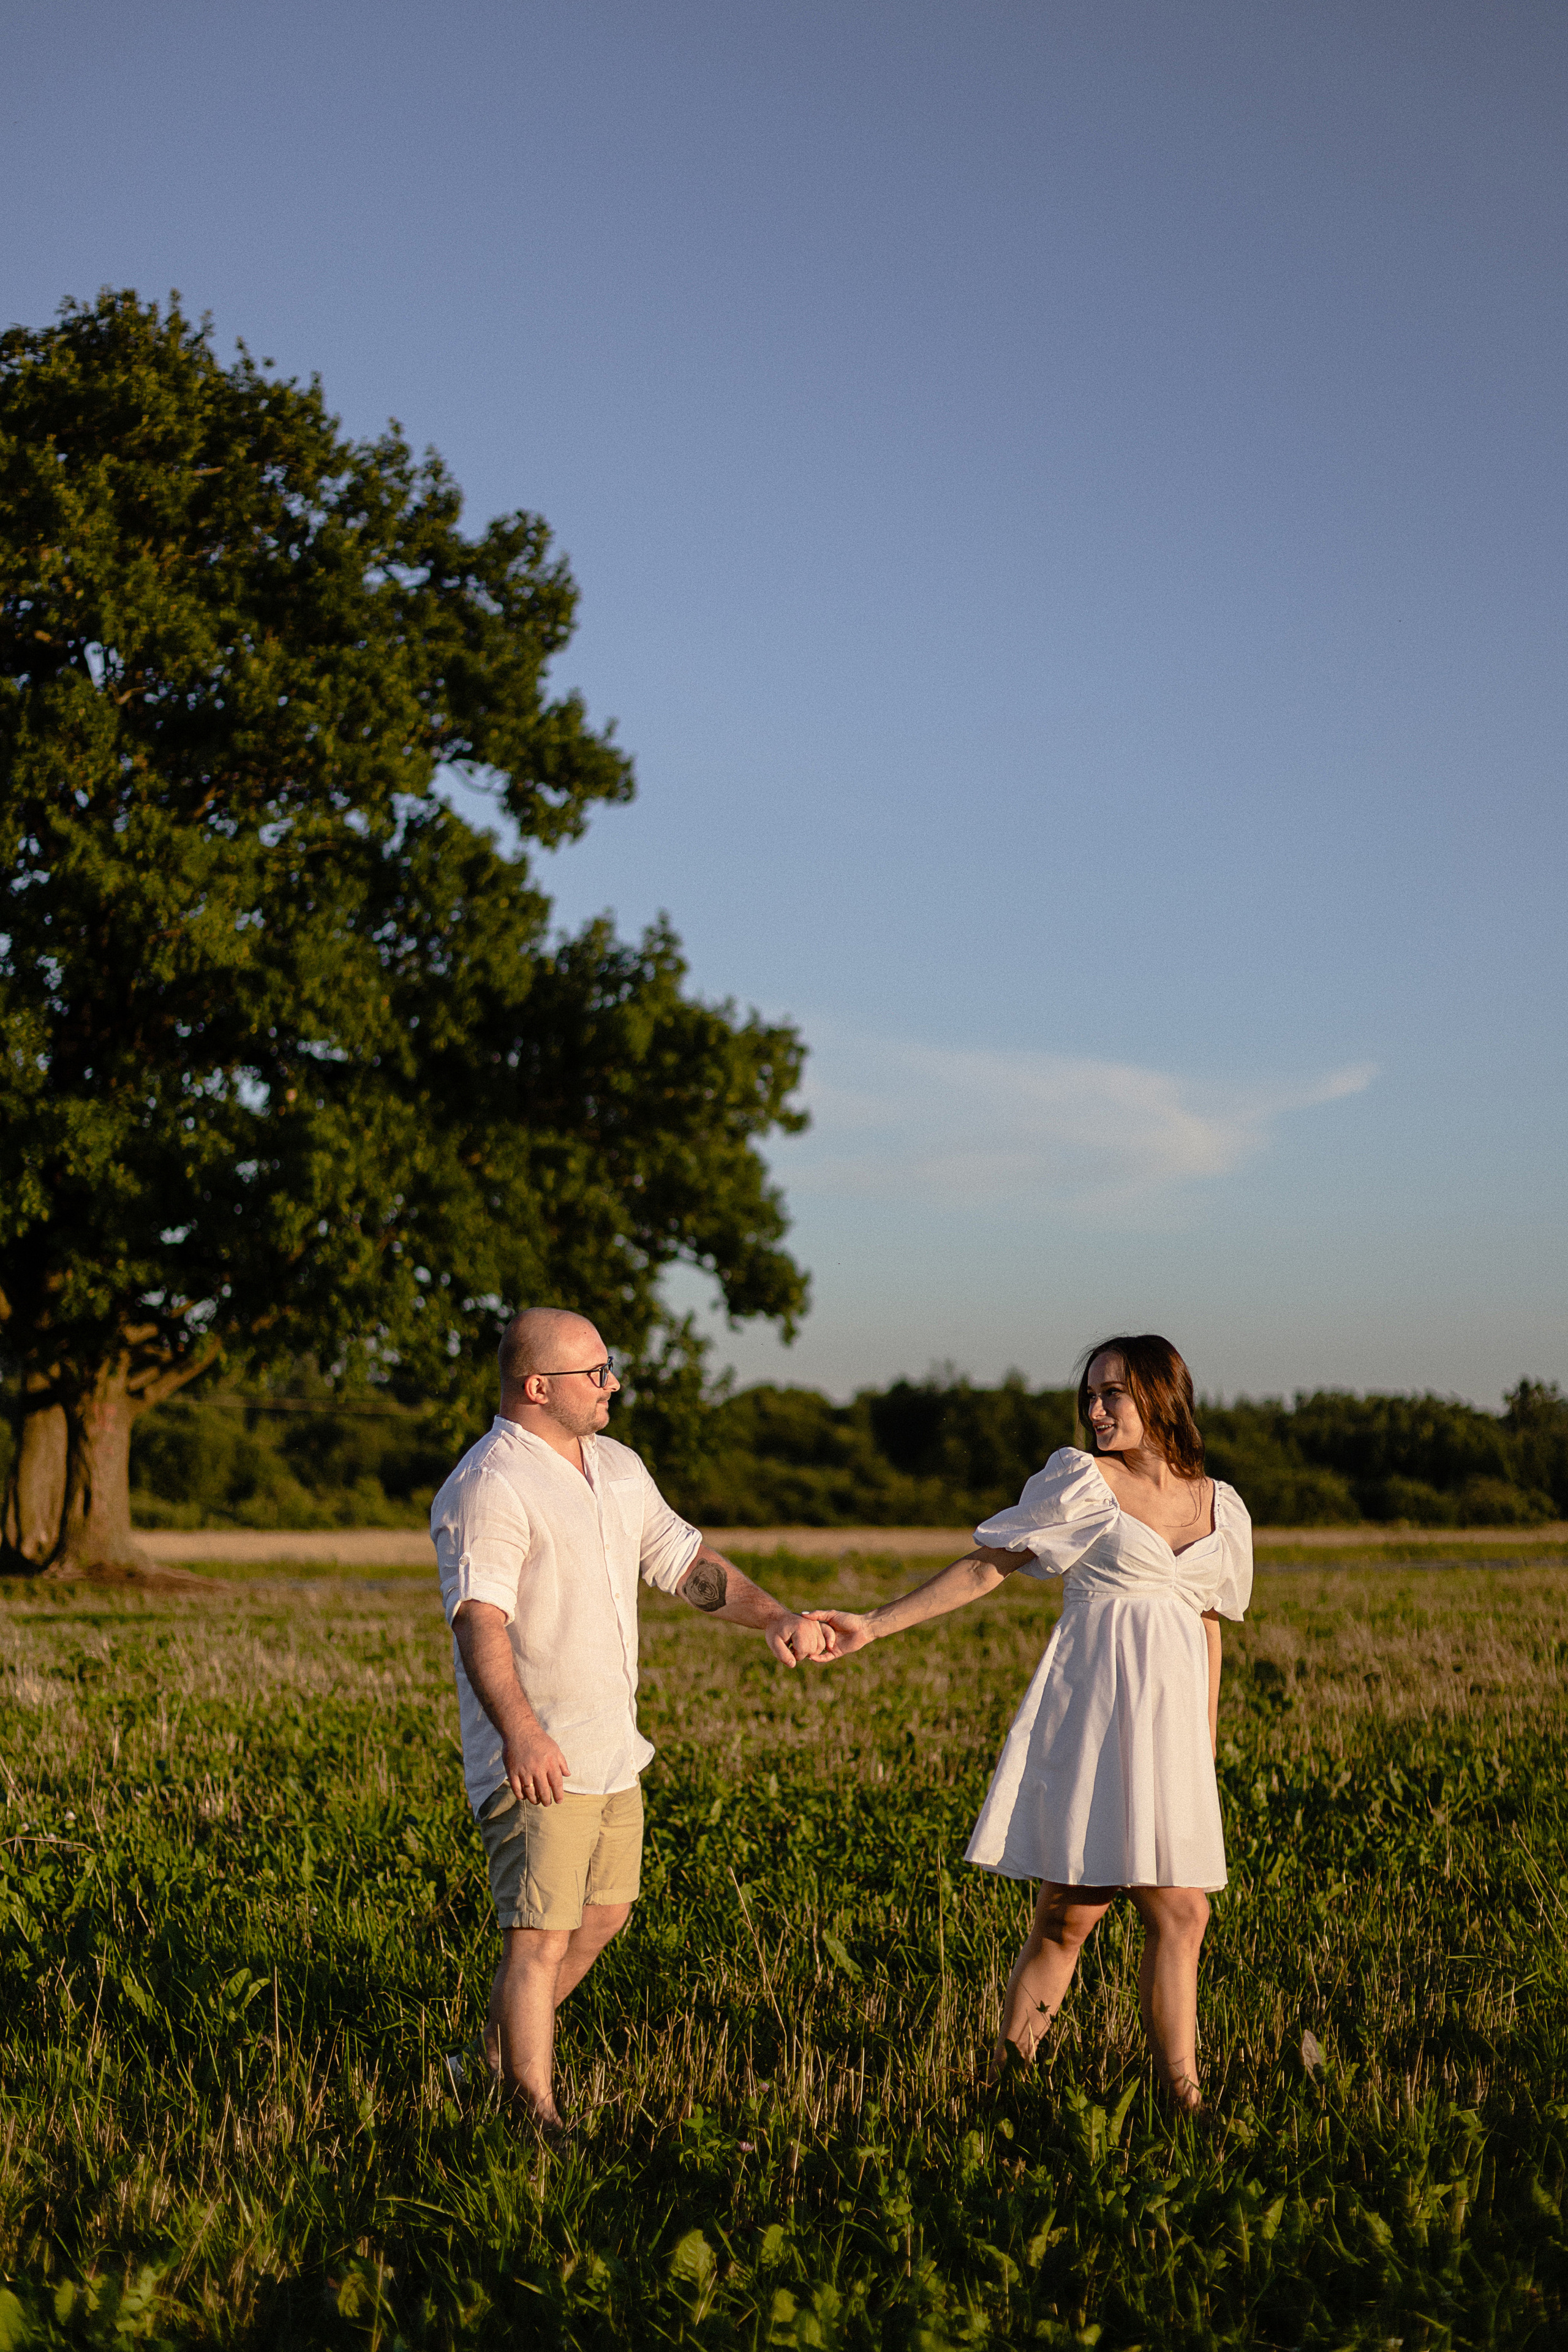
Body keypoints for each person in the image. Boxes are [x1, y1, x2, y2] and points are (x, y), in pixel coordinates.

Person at [807, 1333, 1251, 2114]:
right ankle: (1008, 2082)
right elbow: (987, 1565)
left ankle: (1184, 2097)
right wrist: (874, 1623)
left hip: (1172, 1733)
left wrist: (1202, 1746)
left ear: (1161, 1395)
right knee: (1069, 1916)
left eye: (1113, 1392)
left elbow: (1209, 1623)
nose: (1095, 1408)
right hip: (1096, 1711)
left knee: (1184, 1911)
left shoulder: (1219, 1504)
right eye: (1090, 1394)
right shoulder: (1082, 1481)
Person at [431, 1304, 834, 2138]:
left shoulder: (615, 1465)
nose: (612, 1383)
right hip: (538, 1757)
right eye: (596, 1372)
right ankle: (530, 2114)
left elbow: (686, 1563)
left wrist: (771, 1616)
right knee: (537, 1938)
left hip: (614, 1750)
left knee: (604, 1916)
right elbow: (479, 1619)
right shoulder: (488, 1484)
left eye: (609, 1367)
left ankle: (484, 2064)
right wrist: (521, 1731)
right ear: (537, 1386)